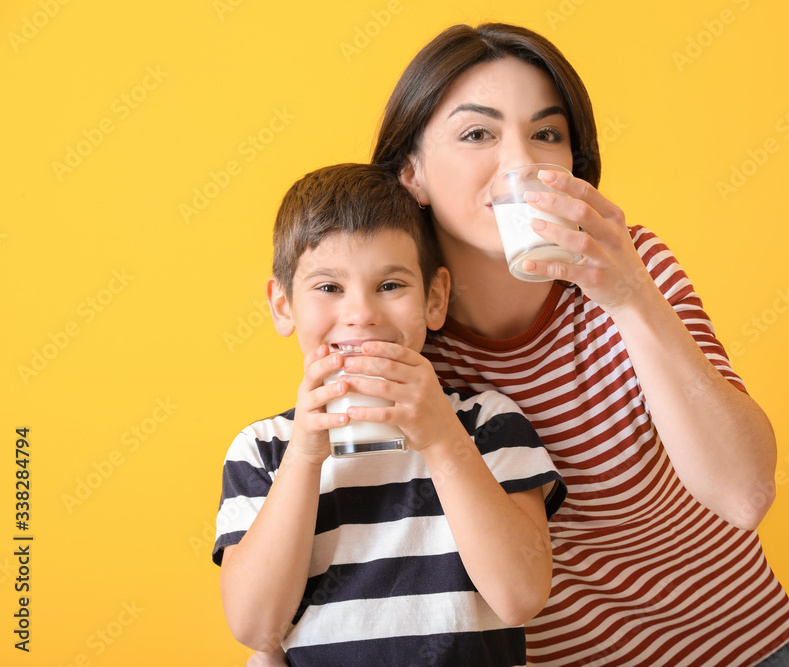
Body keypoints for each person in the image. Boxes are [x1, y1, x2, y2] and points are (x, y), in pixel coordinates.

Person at [370, 23, 789, 666]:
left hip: (749, 648)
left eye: (546, 134)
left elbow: (744, 492)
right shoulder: (403, 336)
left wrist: (629, 295)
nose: (520, 162)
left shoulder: (632, 271)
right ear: (410, 173)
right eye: (478, 134)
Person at [212, 163, 566, 666]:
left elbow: (521, 597)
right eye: (329, 288)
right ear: (283, 305)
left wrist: (443, 442)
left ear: (435, 299)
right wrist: (305, 456)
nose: (362, 315)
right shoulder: (264, 450)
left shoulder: (487, 425)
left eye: (391, 285)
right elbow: (255, 626)